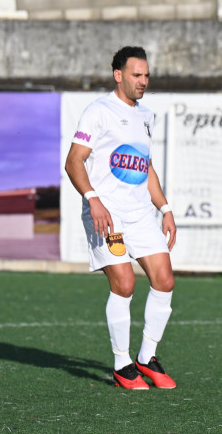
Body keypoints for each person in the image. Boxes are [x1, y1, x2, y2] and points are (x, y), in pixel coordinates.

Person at [65, 46, 178, 390]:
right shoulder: (98, 111)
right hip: (107, 216)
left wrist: (166, 209)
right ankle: (121, 364)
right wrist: (93, 200)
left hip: (141, 213)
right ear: (118, 75)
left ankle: (146, 357)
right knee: (125, 284)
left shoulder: (146, 115)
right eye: (136, 75)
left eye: (146, 75)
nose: (143, 81)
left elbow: (146, 167)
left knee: (165, 280)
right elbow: (74, 162)